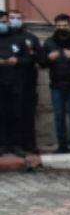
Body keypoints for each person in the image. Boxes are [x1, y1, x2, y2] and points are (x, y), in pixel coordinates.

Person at [43, 17, 70, 153]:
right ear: (55, 27)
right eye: (59, 25)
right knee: (59, 117)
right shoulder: (49, 42)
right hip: (57, 86)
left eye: (64, 25)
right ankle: (62, 145)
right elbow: (42, 62)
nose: (61, 28)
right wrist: (48, 58)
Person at [0, 11, 31, 156]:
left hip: (16, 83)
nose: (3, 24)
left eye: (4, 22)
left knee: (17, 114)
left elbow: (28, 60)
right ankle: (3, 144)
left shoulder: (18, 39)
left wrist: (17, 60)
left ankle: (17, 145)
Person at [13, 10, 43, 154]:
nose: (15, 20)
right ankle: (10, 143)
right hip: (8, 83)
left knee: (28, 114)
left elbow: (41, 59)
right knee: (11, 114)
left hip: (28, 82)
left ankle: (29, 143)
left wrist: (32, 53)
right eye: (12, 18)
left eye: (18, 18)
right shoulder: (4, 37)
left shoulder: (31, 38)